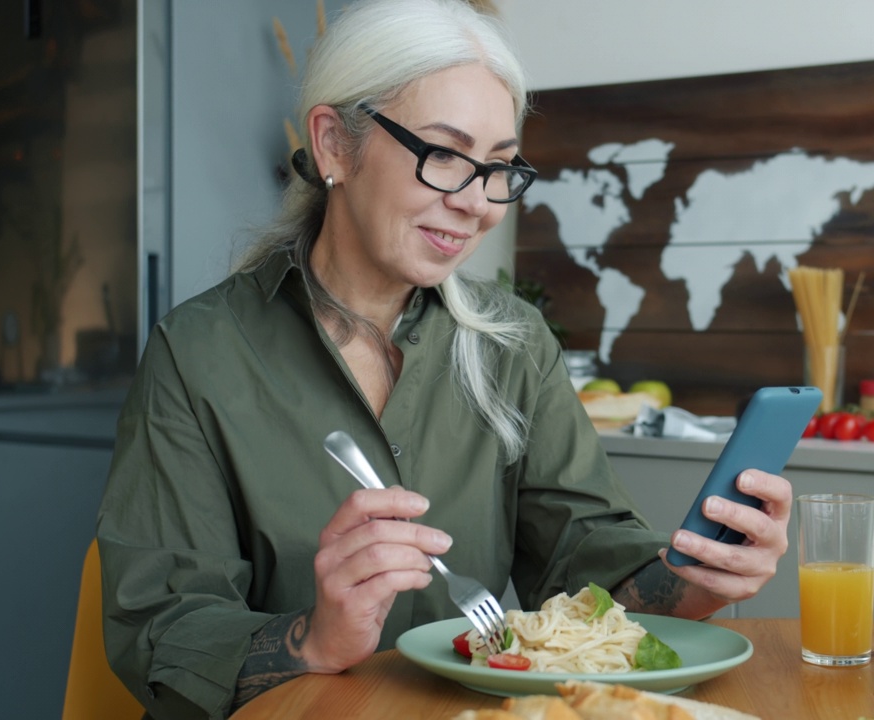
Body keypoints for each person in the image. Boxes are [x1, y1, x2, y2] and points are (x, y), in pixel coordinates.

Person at [97, 1, 795, 718]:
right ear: (335, 143)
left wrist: (697, 576)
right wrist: (310, 638)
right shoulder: (199, 353)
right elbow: (161, 629)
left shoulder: (514, 343)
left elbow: (585, 558)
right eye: (443, 156)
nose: (479, 205)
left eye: (497, 167)